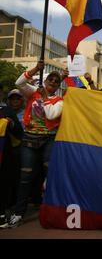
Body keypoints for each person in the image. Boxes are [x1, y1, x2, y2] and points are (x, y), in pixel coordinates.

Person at [6, 60, 63, 228]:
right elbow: (19, 83)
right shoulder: (32, 93)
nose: (52, 82)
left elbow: (52, 115)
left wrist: (45, 97)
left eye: (55, 81)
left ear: (58, 85)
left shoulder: (60, 100)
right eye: (50, 80)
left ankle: (52, 210)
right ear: (44, 81)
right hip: (29, 139)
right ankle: (18, 213)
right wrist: (35, 69)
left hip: (49, 141)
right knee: (25, 177)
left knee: (50, 176)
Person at [0, 84, 23, 228]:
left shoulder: (7, 111)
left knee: (3, 184)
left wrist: (11, 124)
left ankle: (2, 213)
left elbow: (19, 132)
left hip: (5, 156)